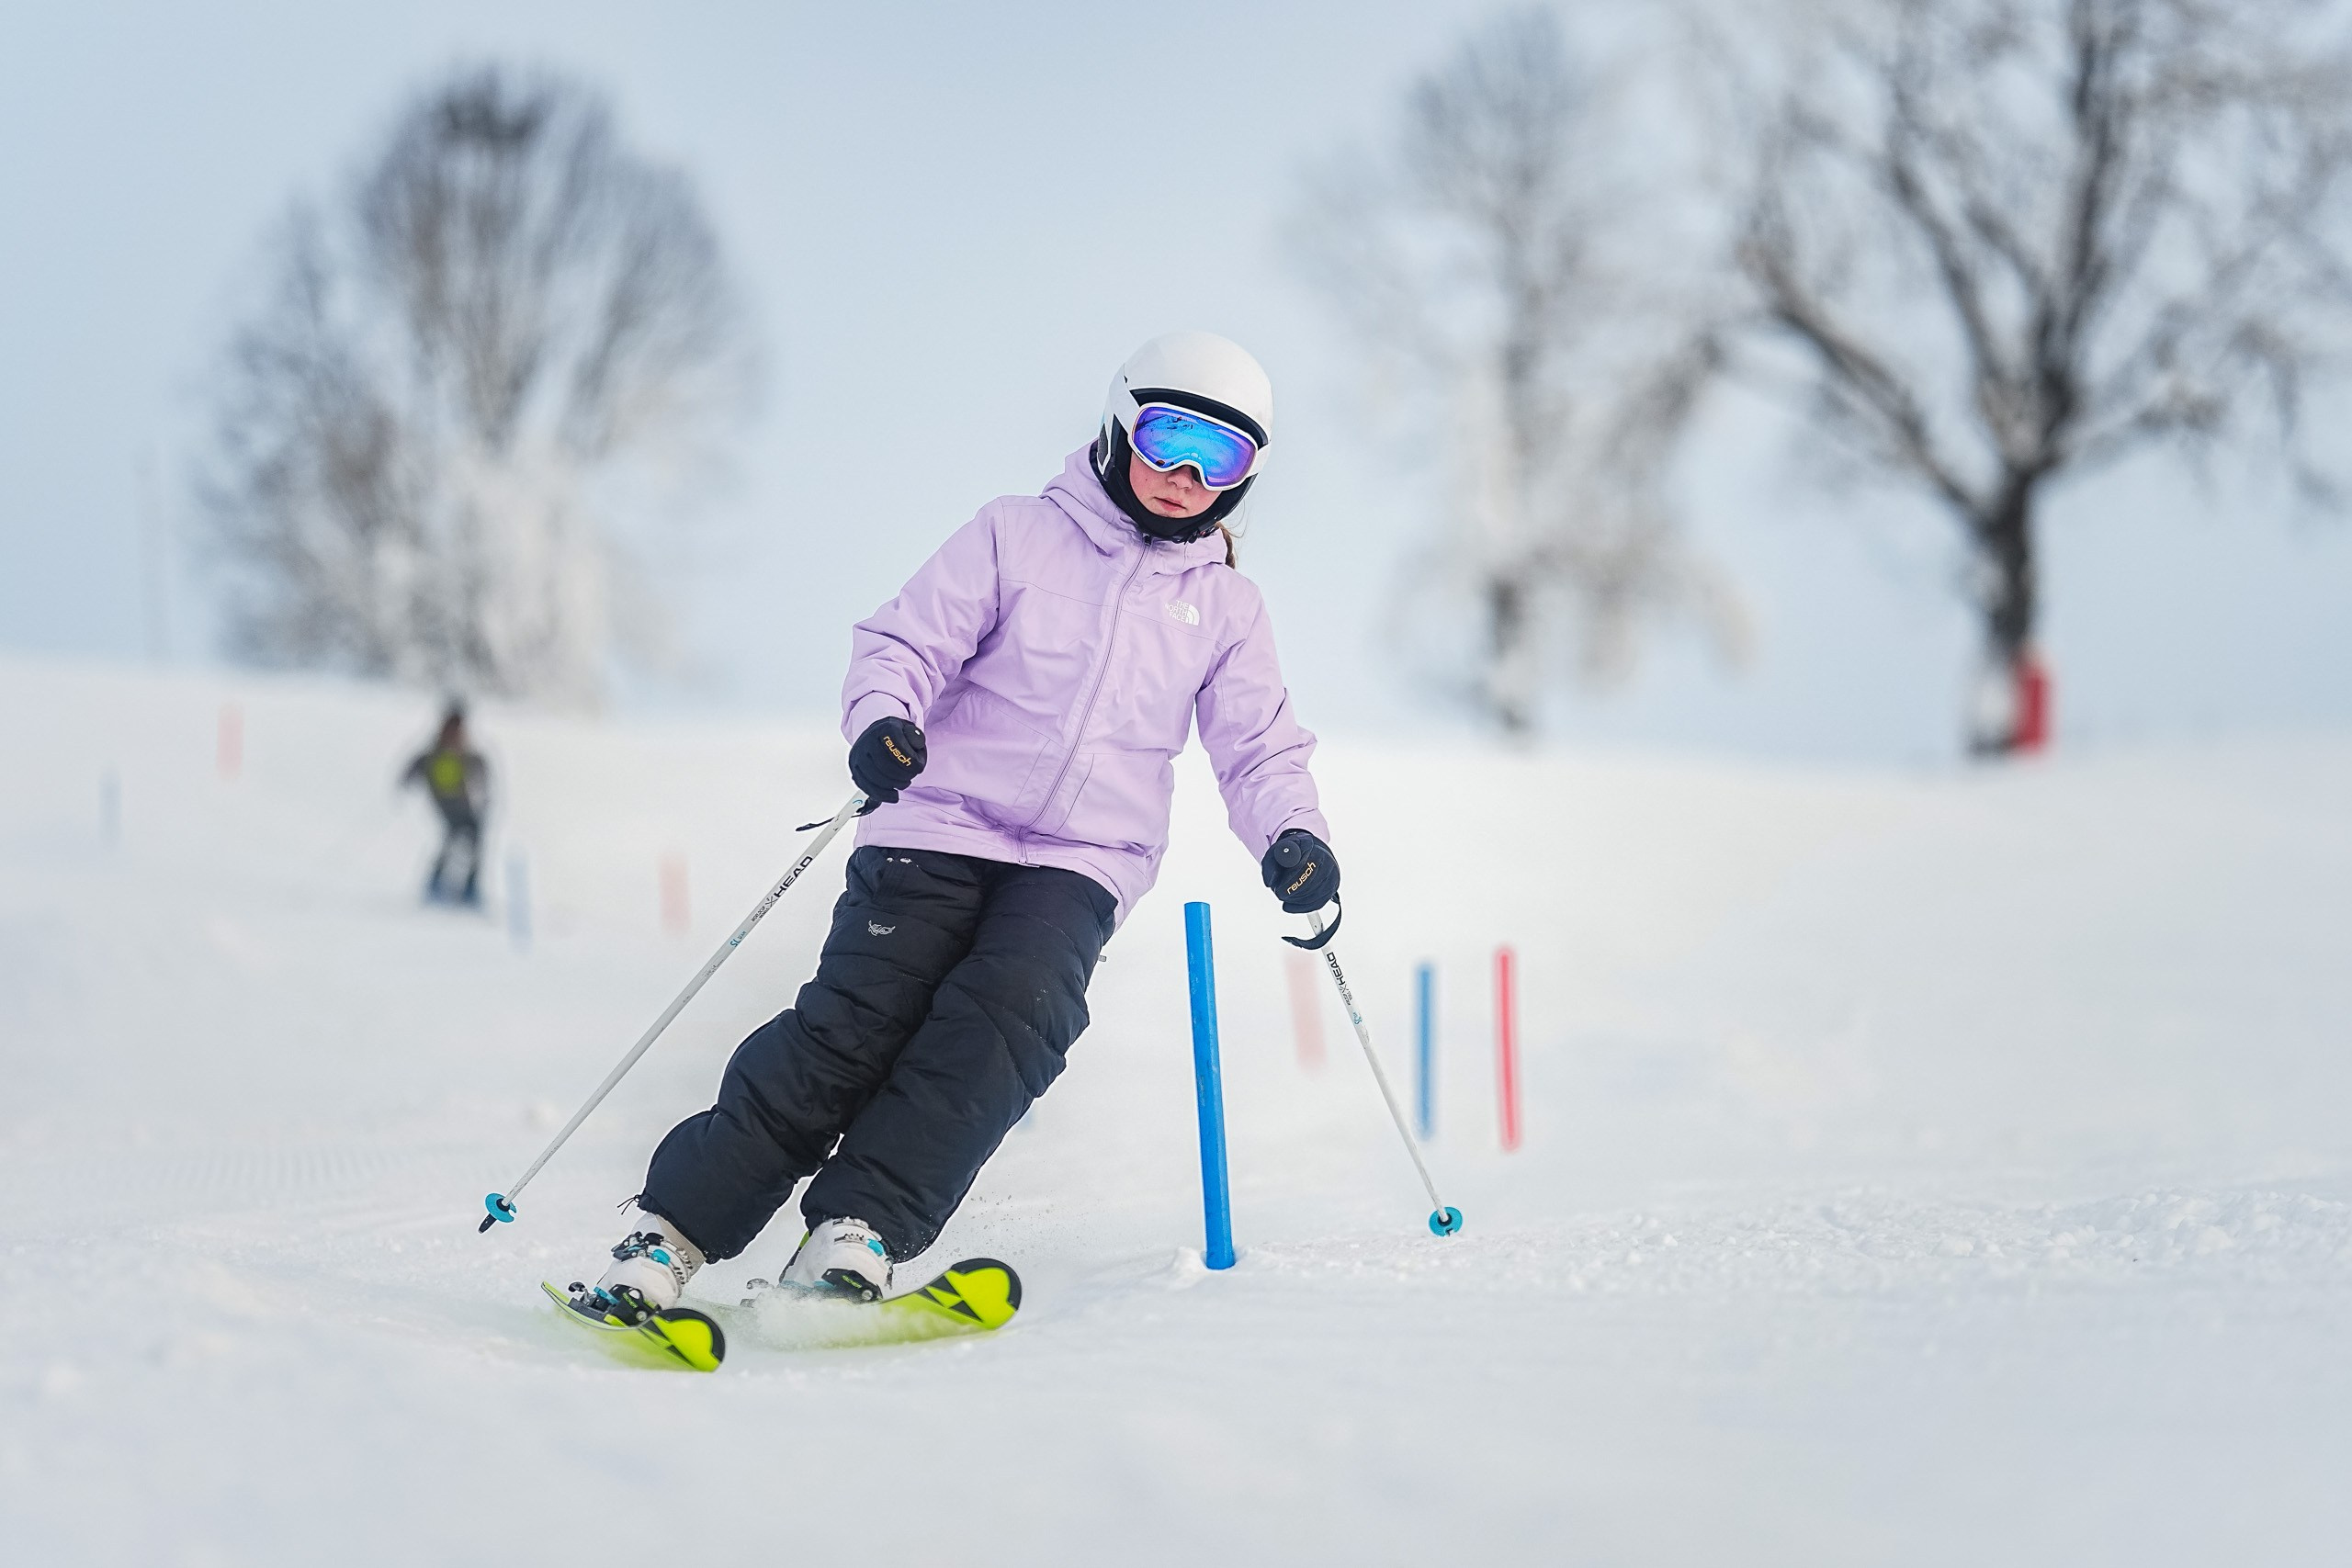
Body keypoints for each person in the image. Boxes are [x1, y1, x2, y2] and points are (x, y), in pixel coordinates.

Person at [572, 331, 1344, 1320]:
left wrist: (1293, 835)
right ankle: (667, 1236)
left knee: (1010, 1020)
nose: (1187, 476)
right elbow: (905, 643)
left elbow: (1260, 746)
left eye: (1220, 458)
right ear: (1120, 426)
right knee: (855, 1026)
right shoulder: (1015, 535)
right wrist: (885, 720)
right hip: (936, 822)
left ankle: (857, 1233)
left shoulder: (1227, 608)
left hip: (1082, 860)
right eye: (1169, 440)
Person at [401, 703, 491, 907]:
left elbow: (478, 767)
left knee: (471, 836)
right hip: (445, 803)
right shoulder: (438, 750)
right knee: (457, 835)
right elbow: (418, 765)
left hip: (462, 803)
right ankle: (441, 884)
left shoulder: (462, 750)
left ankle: (465, 886)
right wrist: (407, 781)